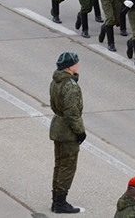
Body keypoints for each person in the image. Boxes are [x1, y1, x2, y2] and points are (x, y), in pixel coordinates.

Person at [50, 52, 85, 214]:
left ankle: (56, 199)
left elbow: (53, 104)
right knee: (68, 166)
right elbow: (72, 112)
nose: (78, 65)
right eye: (76, 63)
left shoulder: (56, 81)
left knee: (59, 164)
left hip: (58, 127)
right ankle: (60, 202)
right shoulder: (70, 85)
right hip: (67, 131)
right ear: (70, 67)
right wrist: (80, 132)